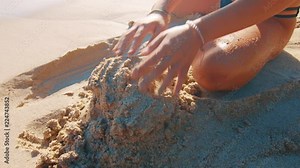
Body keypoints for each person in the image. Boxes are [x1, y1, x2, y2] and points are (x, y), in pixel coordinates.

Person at [113, 0, 300, 95]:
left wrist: (197, 32)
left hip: (271, 16)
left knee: (213, 67)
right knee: (170, 10)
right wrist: (160, 10)